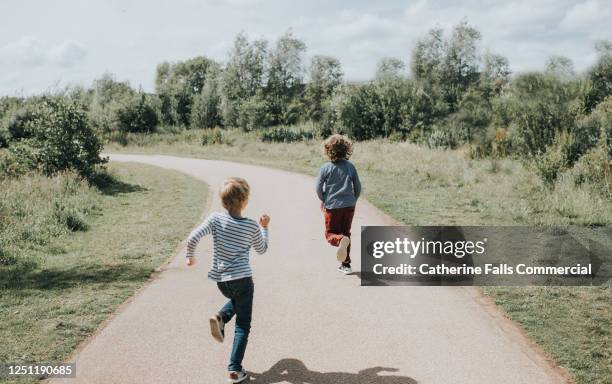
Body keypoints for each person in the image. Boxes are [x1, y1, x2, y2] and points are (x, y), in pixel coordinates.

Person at [185, 177, 270, 383]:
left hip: (222, 281)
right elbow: (262, 249)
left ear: (223, 202)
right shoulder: (251, 226)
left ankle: (222, 316)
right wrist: (264, 227)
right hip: (243, 279)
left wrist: (190, 255)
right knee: (243, 324)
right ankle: (234, 369)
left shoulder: (215, 219)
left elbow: (193, 237)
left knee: (236, 301)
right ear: (245, 201)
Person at [315, 134, 361, 275]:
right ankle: (346, 265)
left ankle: (341, 240)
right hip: (349, 206)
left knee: (330, 234)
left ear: (328, 150)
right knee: (346, 233)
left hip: (332, 206)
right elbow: (357, 186)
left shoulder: (325, 168)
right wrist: (353, 199)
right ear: (346, 149)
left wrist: (323, 199)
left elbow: (318, 187)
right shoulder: (350, 167)